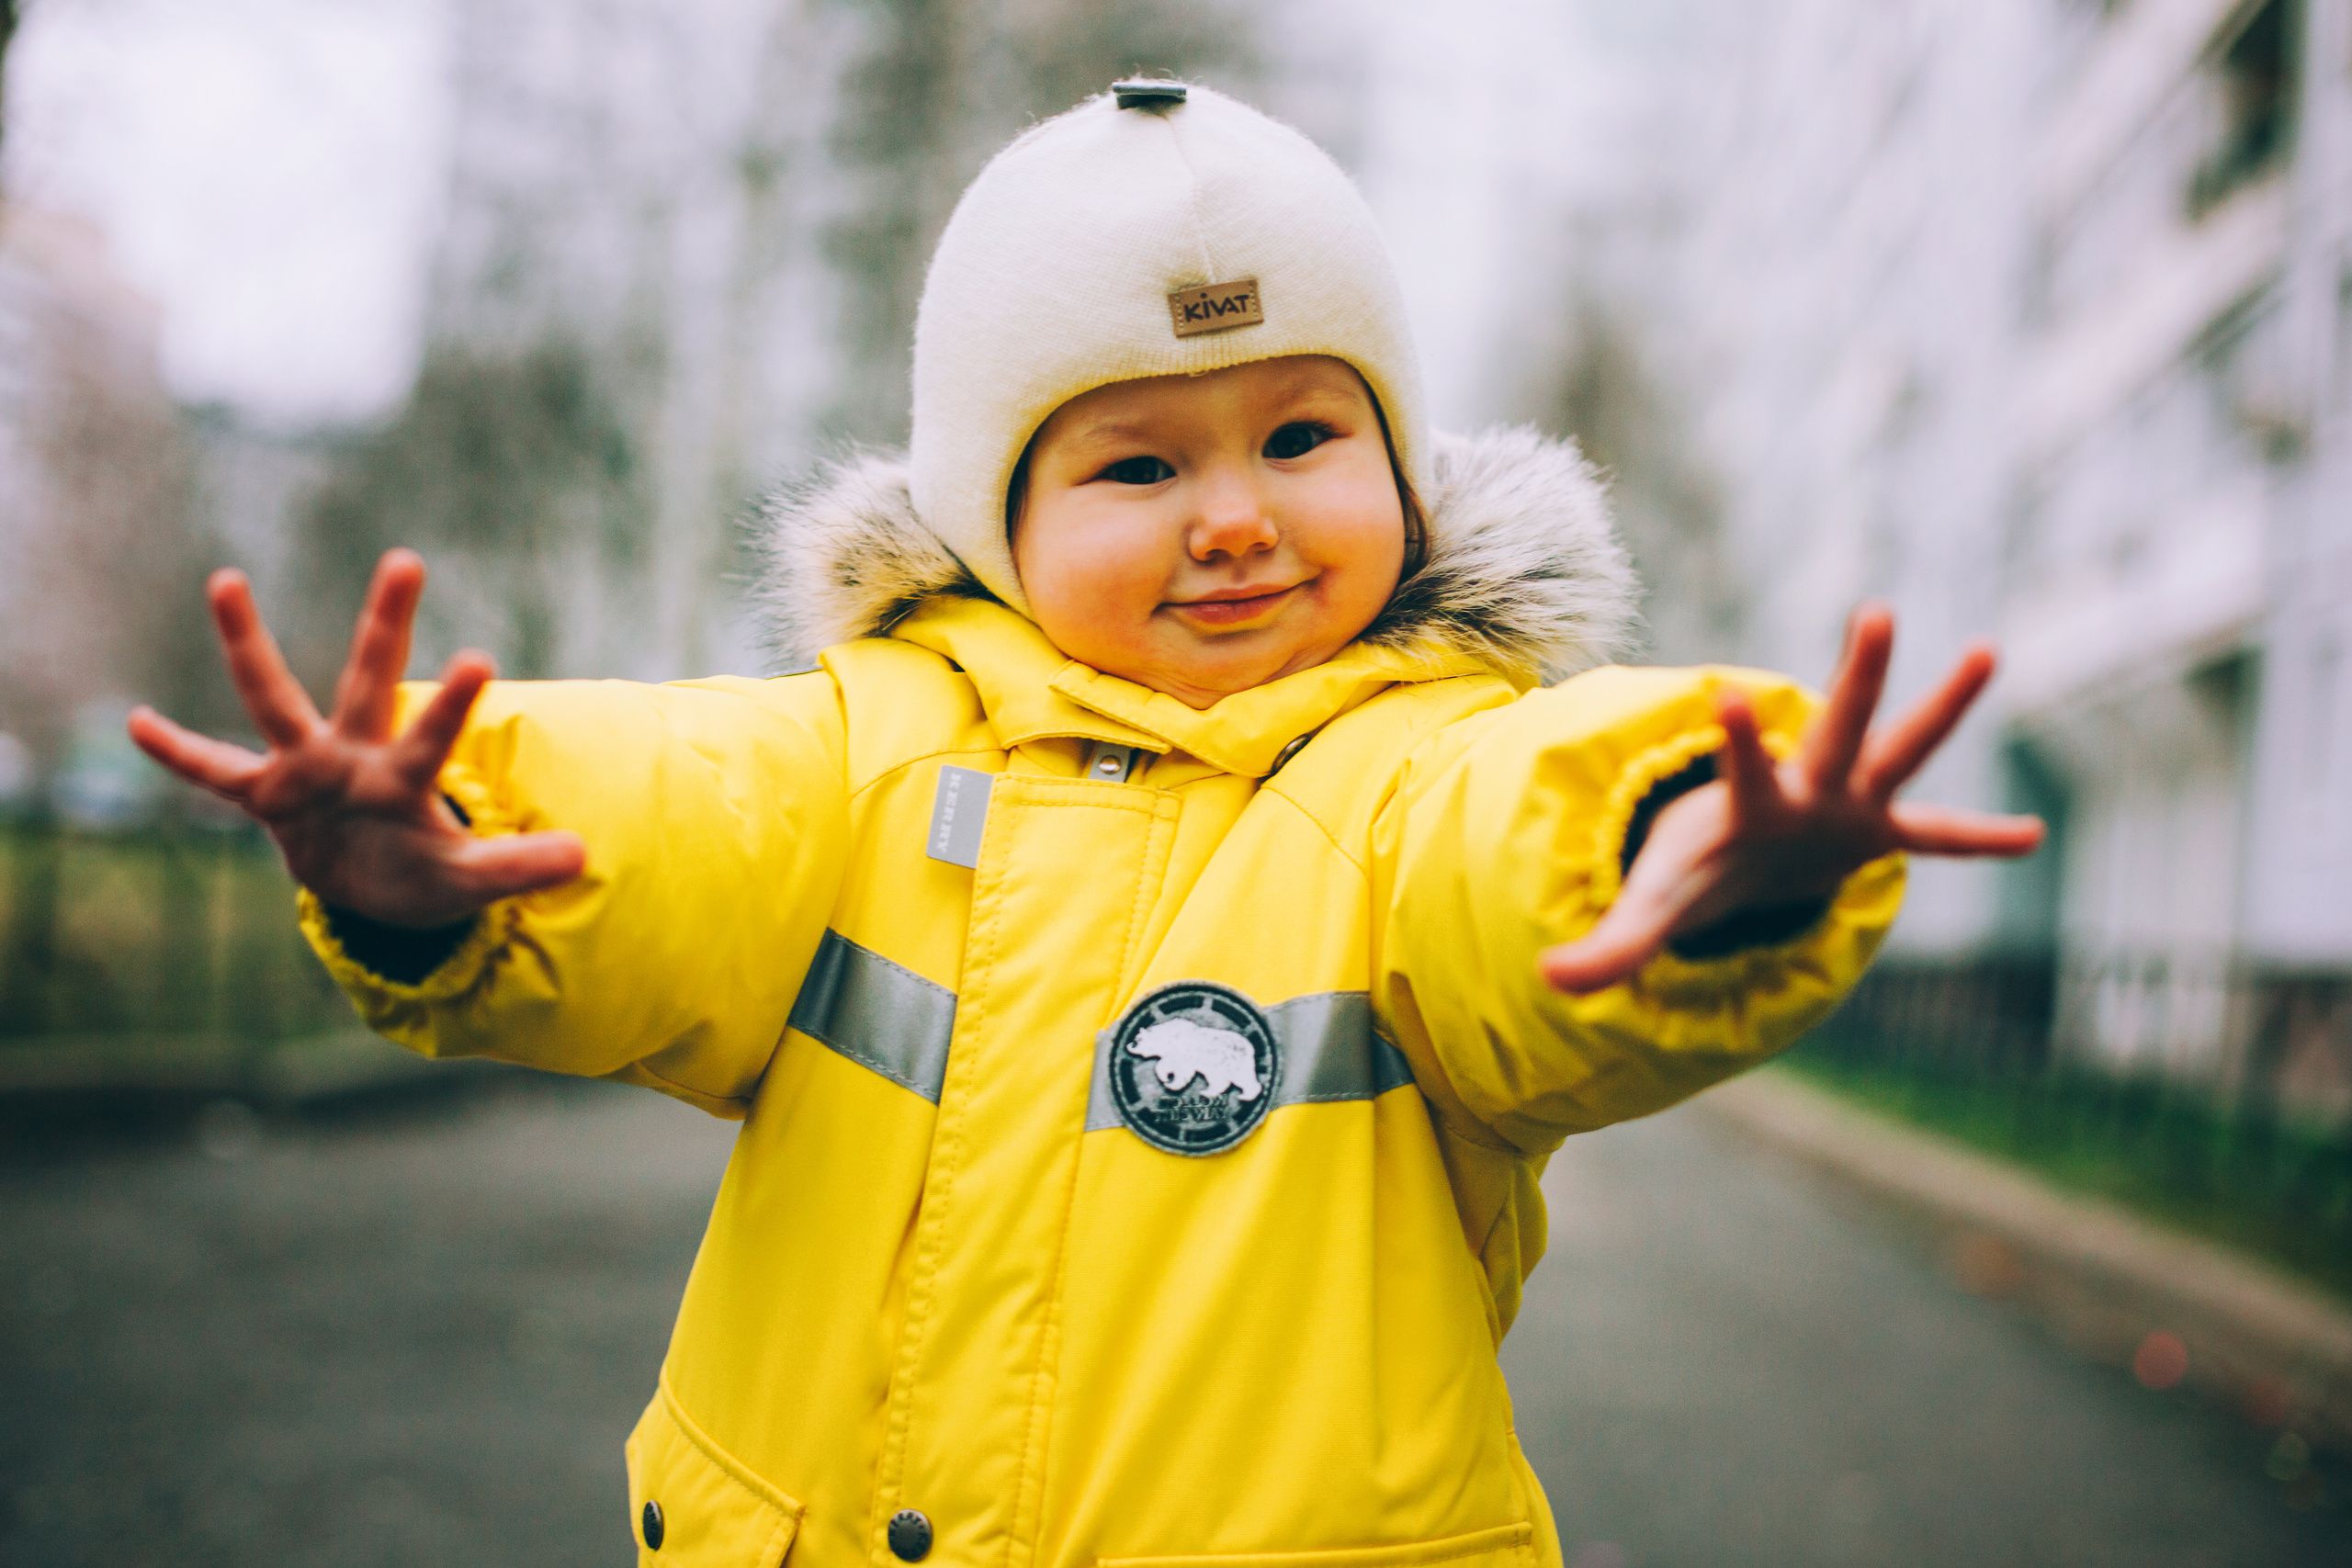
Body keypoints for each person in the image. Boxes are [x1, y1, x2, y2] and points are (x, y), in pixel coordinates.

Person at [130, 83, 2040, 1568]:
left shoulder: (1419, 766)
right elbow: (676, 808)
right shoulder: (866, 751)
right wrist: (445, 842)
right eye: (1137, 460)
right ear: (995, 525)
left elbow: (1510, 853)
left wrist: (1682, 833)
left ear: (1399, 459)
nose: (1233, 514)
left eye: (1302, 436)